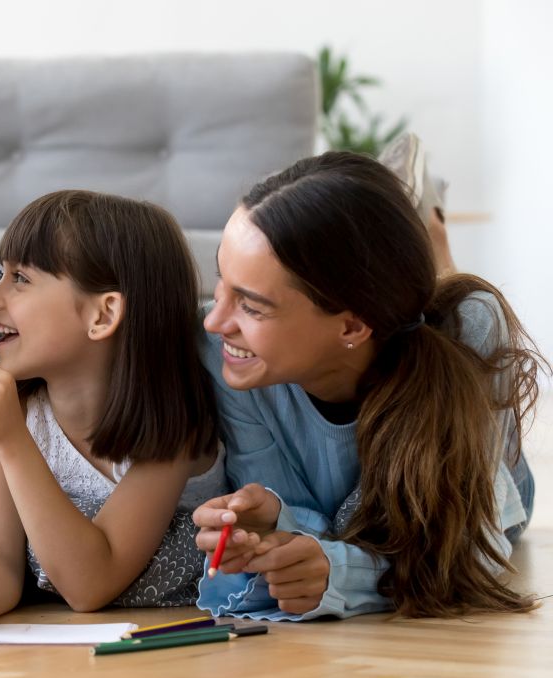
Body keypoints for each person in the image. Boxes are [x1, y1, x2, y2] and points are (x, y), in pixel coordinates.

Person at [192, 149, 547, 620]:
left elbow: (468, 550)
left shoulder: (474, 332)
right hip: (355, 506)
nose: (216, 321)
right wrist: (274, 520)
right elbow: (301, 520)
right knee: (347, 516)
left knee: (455, 315)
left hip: (474, 490)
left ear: (352, 327)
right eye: (221, 284)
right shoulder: (224, 351)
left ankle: (434, 245)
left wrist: (340, 572)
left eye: (252, 306)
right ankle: (414, 237)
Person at [0, 190, 226, 628]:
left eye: (21, 279)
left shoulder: (175, 426)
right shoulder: (16, 412)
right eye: (2, 274)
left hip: (180, 645)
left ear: (103, 315)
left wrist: (12, 440)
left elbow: (91, 584)